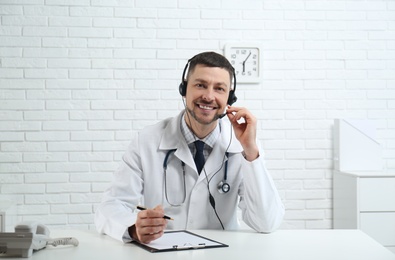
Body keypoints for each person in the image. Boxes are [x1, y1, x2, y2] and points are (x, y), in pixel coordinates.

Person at [94, 51, 284, 244]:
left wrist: (251, 151)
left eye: (219, 89)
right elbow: (110, 206)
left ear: (230, 98)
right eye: (200, 85)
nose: (209, 96)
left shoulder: (242, 146)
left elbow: (266, 222)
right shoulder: (147, 141)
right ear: (184, 89)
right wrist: (134, 229)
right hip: (163, 253)